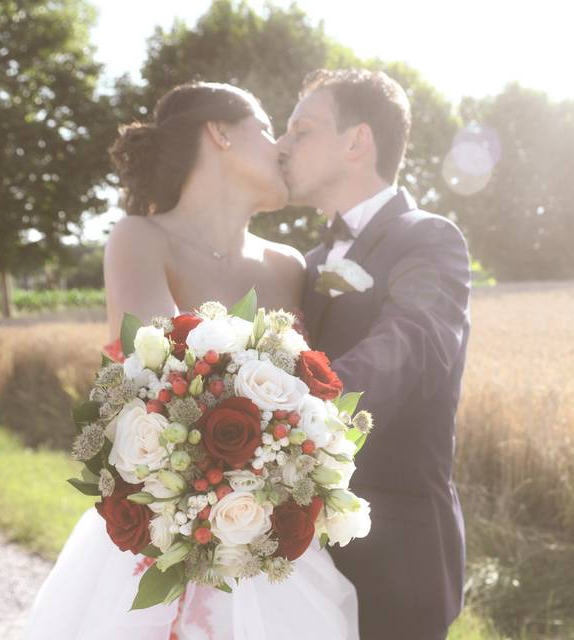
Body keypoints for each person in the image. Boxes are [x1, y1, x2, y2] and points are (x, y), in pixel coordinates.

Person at [23, 82, 358, 640]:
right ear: (220, 132)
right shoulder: (140, 239)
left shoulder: (289, 265)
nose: (281, 146)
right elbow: (158, 382)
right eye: (267, 127)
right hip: (168, 531)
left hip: (267, 539)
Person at [278, 68, 471, 640]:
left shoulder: (429, 237)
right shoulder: (303, 263)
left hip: (400, 553)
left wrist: (286, 407)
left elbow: (410, 344)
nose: (282, 146)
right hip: (299, 550)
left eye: (301, 129)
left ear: (357, 141)